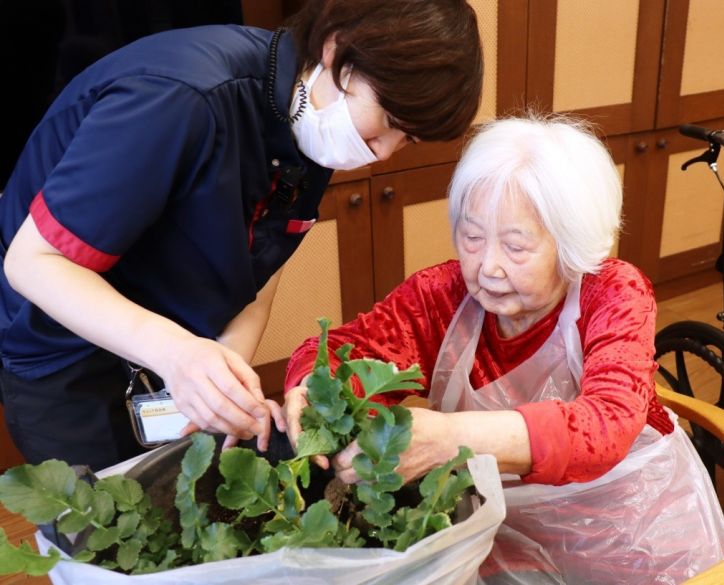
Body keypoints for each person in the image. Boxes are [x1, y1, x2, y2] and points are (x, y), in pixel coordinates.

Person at [0, 0, 483, 470]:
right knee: (110, 529)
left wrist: (229, 372)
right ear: (337, 52)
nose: (383, 153)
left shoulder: (310, 124)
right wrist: (177, 353)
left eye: (407, 140)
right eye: (389, 124)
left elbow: (259, 273)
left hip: (170, 353)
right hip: (67, 358)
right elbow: (34, 263)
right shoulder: (180, 99)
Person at [283, 115, 724, 583]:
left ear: (570, 244)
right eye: (473, 237)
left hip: (628, 525)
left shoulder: (613, 293)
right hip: (506, 526)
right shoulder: (441, 296)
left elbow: (607, 423)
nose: (488, 268)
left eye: (516, 247)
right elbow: (346, 350)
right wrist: (310, 388)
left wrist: (448, 437)